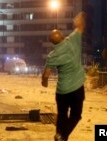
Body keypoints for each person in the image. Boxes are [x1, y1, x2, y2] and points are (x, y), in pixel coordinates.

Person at [41, 12, 87, 141]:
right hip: (77, 88)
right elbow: (80, 27)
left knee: (62, 115)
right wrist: (79, 19)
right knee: (76, 115)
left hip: (61, 91)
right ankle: (62, 136)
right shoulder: (73, 39)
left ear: (52, 43)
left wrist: (44, 82)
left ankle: (60, 136)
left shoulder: (52, 55)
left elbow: (46, 75)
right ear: (63, 36)